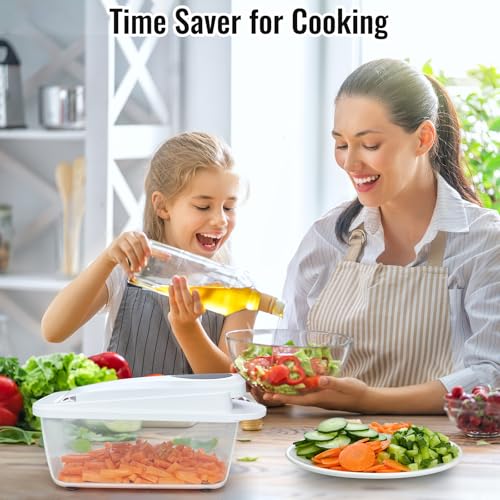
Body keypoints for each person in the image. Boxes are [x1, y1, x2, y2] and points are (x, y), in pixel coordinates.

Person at [263, 59, 500, 414]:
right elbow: (288, 355)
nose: (350, 162)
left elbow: (490, 377)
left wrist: (368, 400)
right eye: (341, 144)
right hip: (320, 450)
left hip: (438, 455)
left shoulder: (483, 243)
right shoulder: (326, 238)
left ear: (422, 139)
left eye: (369, 144)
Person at [41, 132, 255, 376]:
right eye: (203, 206)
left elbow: (231, 382)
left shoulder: (242, 292)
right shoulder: (127, 269)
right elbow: (53, 330)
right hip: (123, 415)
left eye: (229, 207)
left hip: (202, 416)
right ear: (162, 206)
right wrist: (107, 258)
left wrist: (188, 330)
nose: (220, 220)